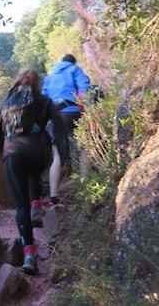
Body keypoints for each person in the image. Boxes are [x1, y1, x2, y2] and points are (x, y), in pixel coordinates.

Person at [0, 70, 69, 275]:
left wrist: (6, 154)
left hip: (13, 152)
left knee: (20, 207)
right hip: (38, 150)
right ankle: (37, 206)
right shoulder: (44, 101)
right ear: (38, 85)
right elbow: (59, 128)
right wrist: (63, 153)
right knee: (34, 172)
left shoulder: (6, 102)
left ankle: (29, 255)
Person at [42, 54, 91, 206]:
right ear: (73, 62)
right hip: (73, 111)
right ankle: (85, 188)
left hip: (56, 115)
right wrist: (84, 105)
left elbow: (44, 98)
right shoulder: (75, 69)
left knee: (58, 155)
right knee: (85, 148)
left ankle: (54, 197)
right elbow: (85, 88)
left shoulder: (50, 77)